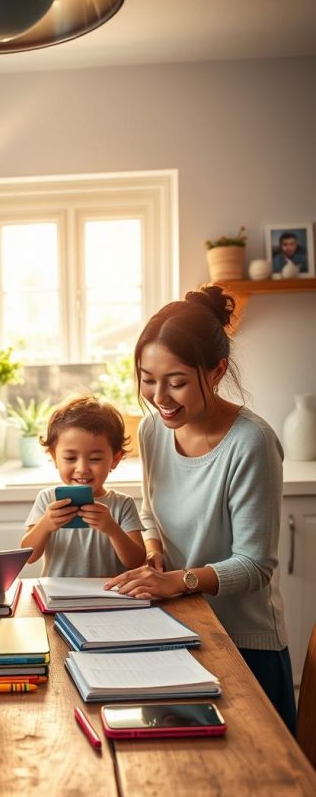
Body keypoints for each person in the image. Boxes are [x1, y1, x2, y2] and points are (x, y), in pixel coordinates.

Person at [104, 285, 296, 733]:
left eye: (176, 381)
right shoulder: (154, 431)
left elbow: (255, 565)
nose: (159, 396)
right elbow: (152, 512)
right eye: (147, 379)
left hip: (246, 644)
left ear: (216, 371)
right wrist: (154, 552)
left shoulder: (251, 443)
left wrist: (177, 580)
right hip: (177, 628)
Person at [22, 395, 145, 576]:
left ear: (115, 459)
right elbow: (28, 557)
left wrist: (111, 528)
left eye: (95, 459)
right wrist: (46, 523)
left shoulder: (122, 504)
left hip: (109, 597)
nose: (82, 469)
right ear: (54, 457)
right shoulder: (48, 499)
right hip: (57, 598)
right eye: (70, 458)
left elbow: (137, 562)